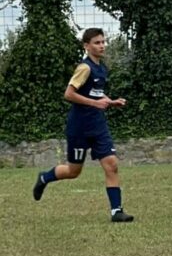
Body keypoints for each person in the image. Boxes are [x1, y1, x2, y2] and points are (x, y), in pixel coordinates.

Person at [32, 28, 134, 222]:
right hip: (79, 127)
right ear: (86, 46)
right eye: (97, 42)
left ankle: (116, 212)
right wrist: (96, 104)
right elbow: (69, 94)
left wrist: (110, 101)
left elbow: (94, 93)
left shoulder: (102, 68)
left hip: (98, 126)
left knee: (111, 164)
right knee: (73, 171)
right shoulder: (84, 68)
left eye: (103, 42)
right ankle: (44, 178)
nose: (102, 45)